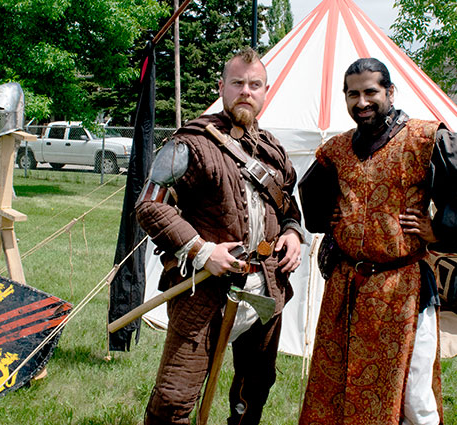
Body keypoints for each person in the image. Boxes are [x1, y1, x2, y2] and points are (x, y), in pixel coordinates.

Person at [298, 58, 457, 425]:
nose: (362, 102)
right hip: (347, 287)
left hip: (402, 287)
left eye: (370, 92)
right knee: (339, 383)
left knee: (413, 393)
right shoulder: (337, 149)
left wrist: (440, 230)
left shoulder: (426, 138)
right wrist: (330, 220)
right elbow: (309, 189)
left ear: (390, 92)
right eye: (352, 94)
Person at [135, 47, 303, 425]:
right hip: (204, 289)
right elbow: (149, 206)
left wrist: (293, 232)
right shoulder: (191, 142)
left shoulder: (274, 152)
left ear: (265, 91)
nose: (246, 91)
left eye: (255, 84)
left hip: (265, 289)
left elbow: (289, 207)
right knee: (174, 397)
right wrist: (202, 250)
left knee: (254, 389)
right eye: (237, 83)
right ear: (222, 86)